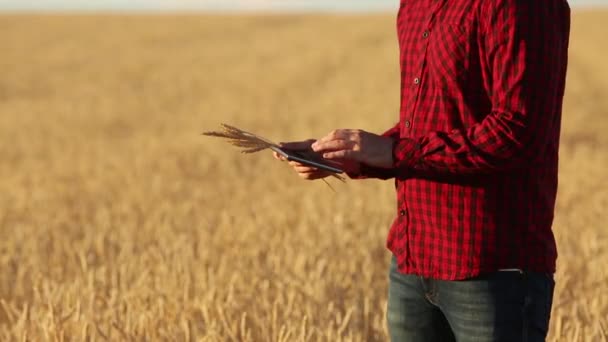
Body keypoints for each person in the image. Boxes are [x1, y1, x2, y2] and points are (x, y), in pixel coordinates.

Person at [274, 0, 571, 341]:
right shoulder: (415, 4)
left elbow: (515, 132)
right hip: (413, 260)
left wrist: (393, 152)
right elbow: (437, 119)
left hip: (493, 268)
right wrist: (349, 156)